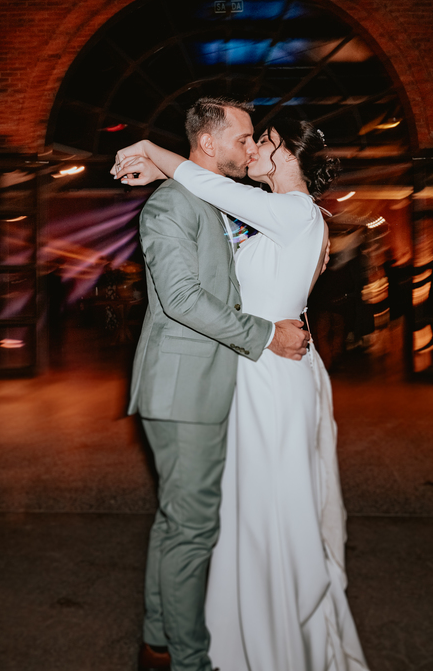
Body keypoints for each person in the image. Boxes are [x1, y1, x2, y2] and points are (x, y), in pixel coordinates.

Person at [115, 117, 369, 671]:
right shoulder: (279, 217)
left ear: (286, 156)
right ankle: (230, 631)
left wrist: (153, 152)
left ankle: (270, 635)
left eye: (263, 141)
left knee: (269, 510)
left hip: (272, 375)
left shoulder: (294, 210)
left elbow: (212, 185)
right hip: (253, 371)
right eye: (247, 138)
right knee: (240, 511)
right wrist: (158, 169)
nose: (254, 148)